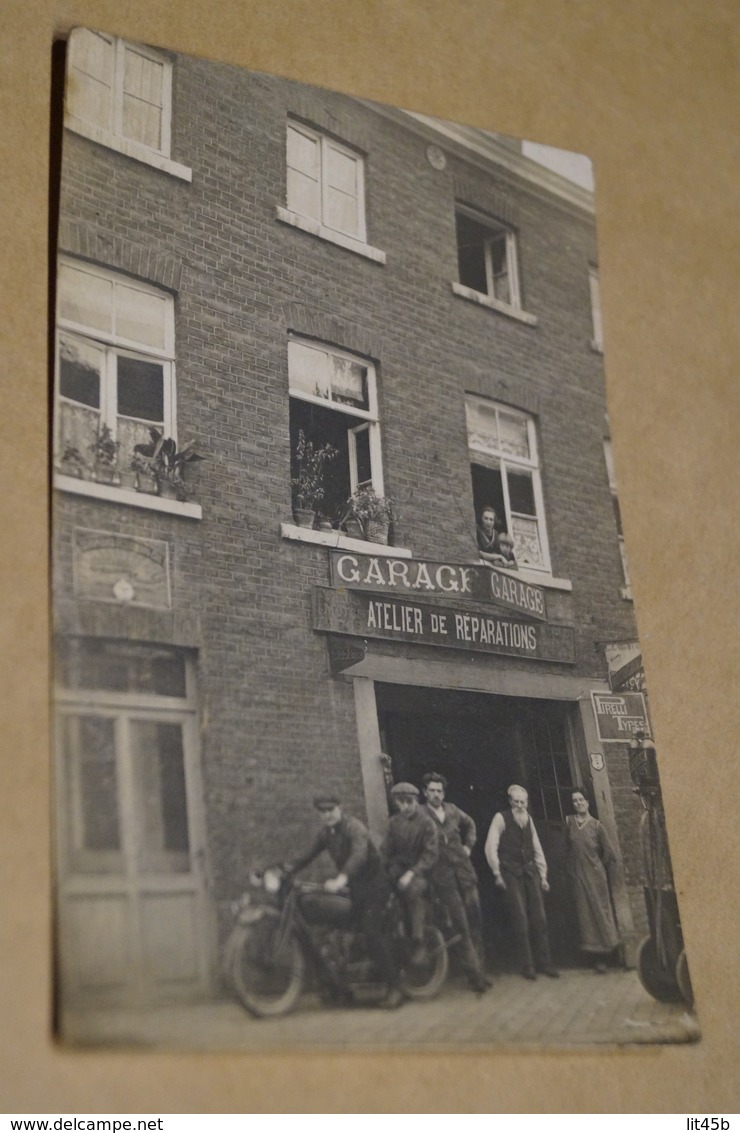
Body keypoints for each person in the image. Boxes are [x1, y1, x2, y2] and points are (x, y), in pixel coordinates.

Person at [290, 791, 405, 1008]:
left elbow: (359, 855)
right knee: (336, 928)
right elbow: (306, 856)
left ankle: (395, 988)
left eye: (330, 810)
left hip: (375, 885)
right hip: (354, 887)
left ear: (339, 808)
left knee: (371, 932)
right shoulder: (326, 833)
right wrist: (282, 870)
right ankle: (340, 986)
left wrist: (341, 877)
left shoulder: (354, 827)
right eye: (322, 812)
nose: (327, 815)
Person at [421, 772, 490, 992]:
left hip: (465, 873)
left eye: (439, 791)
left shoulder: (452, 810)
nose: (436, 795)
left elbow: (470, 825)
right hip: (443, 877)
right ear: (425, 792)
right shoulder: (421, 815)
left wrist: (468, 847)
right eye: (432, 790)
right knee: (461, 924)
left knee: (475, 922)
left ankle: (481, 971)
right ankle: (474, 976)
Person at [484, 784, 559, 979]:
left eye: (523, 802)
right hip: (510, 872)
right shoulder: (501, 818)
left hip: (530, 871)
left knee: (540, 918)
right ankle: (527, 966)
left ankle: (545, 963)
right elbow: (491, 846)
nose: (519, 806)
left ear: (527, 803)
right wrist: (496, 873)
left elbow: (537, 848)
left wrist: (543, 875)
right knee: (520, 918)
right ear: (510, 802)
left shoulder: (529, 820)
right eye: (516, 802)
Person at [381, 782, 439, 966]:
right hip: (397, 870)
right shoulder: (394, 823)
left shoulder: (426, 823)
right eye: (401, 802)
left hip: (420, 873)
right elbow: (385, 851)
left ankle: (418, 941)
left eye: (408, 802)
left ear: (416, 801)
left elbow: (430, 855)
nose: (405, 806)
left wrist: (412, 873)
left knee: (413, 892)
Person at [565, 790, 621, 973]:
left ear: (588, 802)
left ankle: (607, 957)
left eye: (581, 799)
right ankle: (594, 958)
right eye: (575, 800)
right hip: (578, 876)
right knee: (585, 915)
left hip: (596, 877)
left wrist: (597, 866)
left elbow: (610, 853)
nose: (578, 803)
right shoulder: (569, 822)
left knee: (600, 912)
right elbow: (567, 847)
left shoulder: (597, 826)